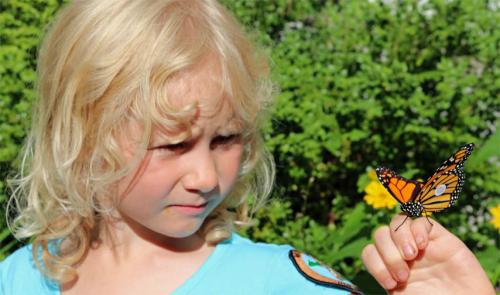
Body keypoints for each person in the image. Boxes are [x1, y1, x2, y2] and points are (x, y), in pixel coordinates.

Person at [0, 0, 494, 294]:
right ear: (82, 136)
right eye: (173, 145)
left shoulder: (282, 285)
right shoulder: (20, 279)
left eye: (226, 139)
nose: (207, 177)